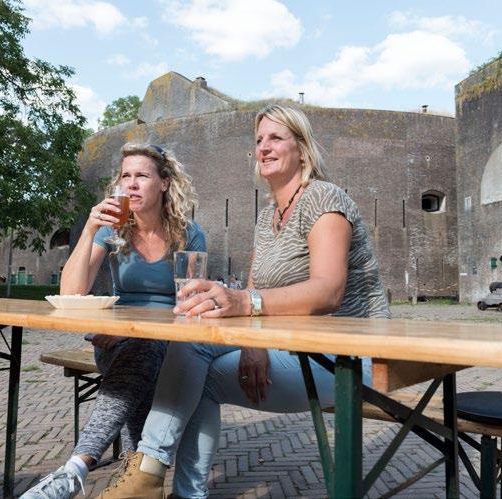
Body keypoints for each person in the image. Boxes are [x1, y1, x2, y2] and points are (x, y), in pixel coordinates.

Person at [97, 104, 389, 498]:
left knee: (197, 372)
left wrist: (243, 302)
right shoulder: (268, 217)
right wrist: (252, 340)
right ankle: (160, 480)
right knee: (190, 348)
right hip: (291, 346)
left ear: (302, 150)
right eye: (258, 140)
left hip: (348, 356)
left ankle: (152, 474)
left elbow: (327, 291)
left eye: (276, 138)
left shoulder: (325, 199)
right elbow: (256, 287)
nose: (263, 148)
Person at [21, 142, 205, 499]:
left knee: (146, 352)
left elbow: (190, 300)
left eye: (142, 176)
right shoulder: (113, 229)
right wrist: (89, 229)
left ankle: (76, 467)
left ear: (164, 183)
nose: (131, 184)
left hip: (170, 340)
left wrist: (141, 328)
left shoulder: (189, 233)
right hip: (117, 340)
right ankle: (132, 479)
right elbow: (71, 293)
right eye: (126, 176)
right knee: (141, 358)